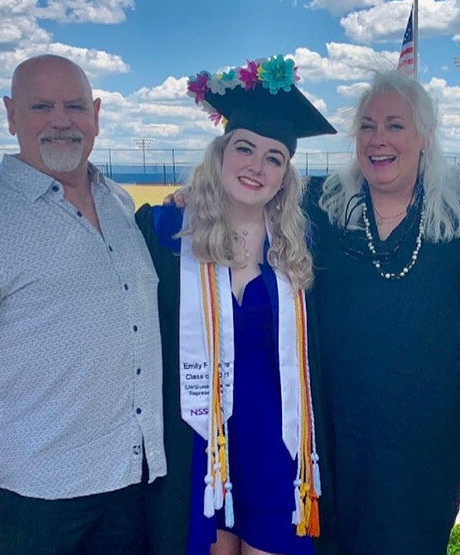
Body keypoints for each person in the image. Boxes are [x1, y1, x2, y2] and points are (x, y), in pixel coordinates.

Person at [0, 54, 165, 554]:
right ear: (11, 115)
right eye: (41, 106)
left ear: (95, 113)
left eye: (74, 106)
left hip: (134, 475)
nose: (60, 120)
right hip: (40, 488)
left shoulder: (118, 203)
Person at [137, 55, 336, 555]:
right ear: (220, 153)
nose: (257, 166)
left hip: (276, 439)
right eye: (245, 148)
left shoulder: (302, 243)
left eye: (275, 157)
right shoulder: (165, 236)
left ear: (286, 175)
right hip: (199, 440)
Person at [306, 70, 460, 554]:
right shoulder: (321, 208)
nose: (378, 139)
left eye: (395, 126)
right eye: (367, 126)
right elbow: (249, 210)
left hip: (426, 439)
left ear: (425, 137)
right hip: (338, 431)